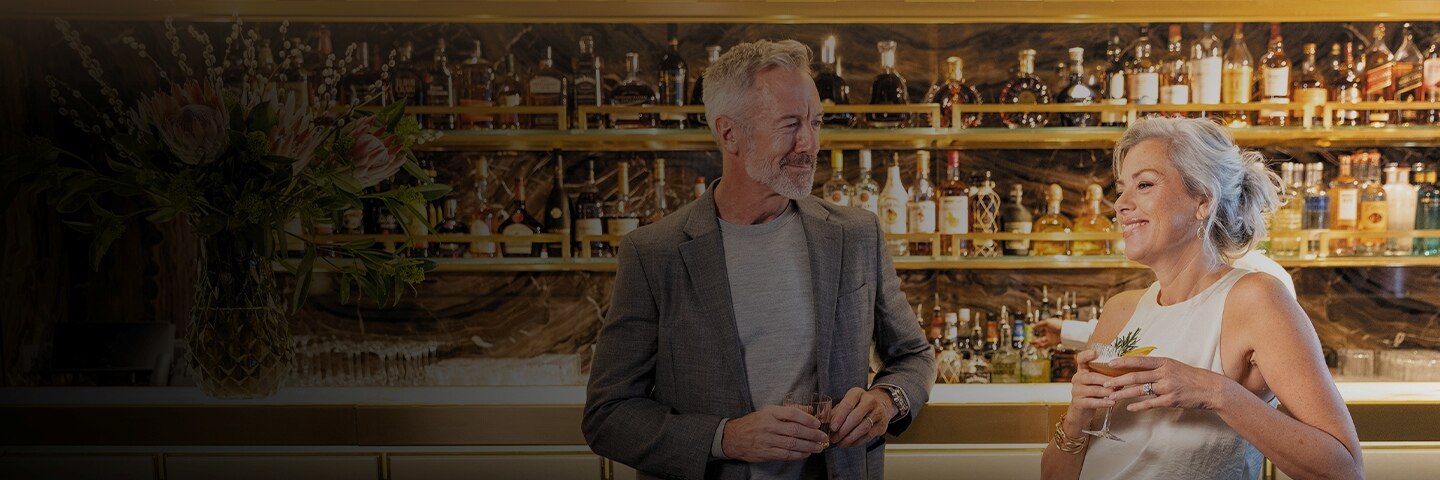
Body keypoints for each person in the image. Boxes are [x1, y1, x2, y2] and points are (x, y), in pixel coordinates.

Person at [583, 39, 935, 480]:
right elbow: (608, 415)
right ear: (729, 133)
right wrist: (725, 437)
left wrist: (887, 401)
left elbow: (914, 356)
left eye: (815, 122)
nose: (809, 143)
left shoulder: (855, 234)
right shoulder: (655, 252)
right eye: (789, 124)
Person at [1040, 117, 1362, 480]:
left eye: (1144, 184)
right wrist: (1077, 418)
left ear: (1203, 201)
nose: (1121, 205)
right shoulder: (1121, 309)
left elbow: (1345, 470)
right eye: (1120, 190)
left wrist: (1215, 391)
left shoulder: (1256, 298)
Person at [1033, 250, 1296, 350]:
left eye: (1147, 185)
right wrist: (1069, 332)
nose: (1123, 205)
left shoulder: (1260, 279)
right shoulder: (1176, 276)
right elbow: (1157, 334)